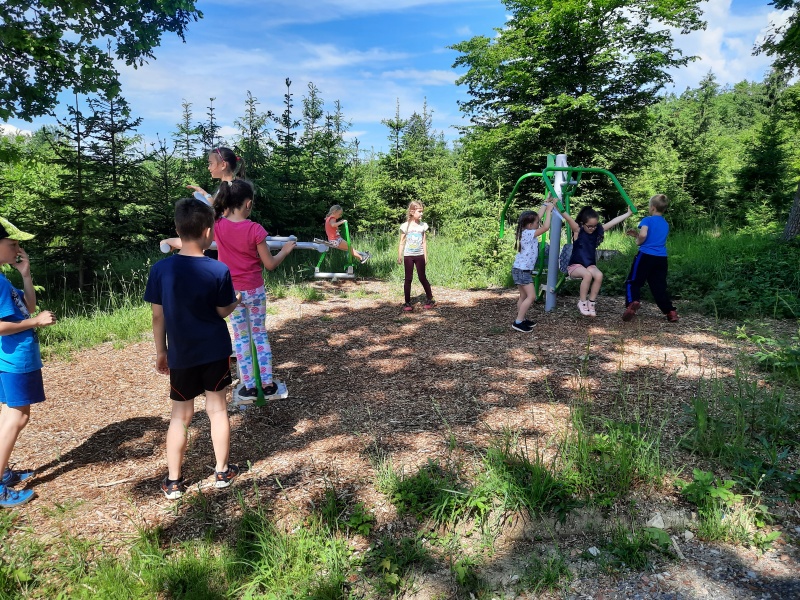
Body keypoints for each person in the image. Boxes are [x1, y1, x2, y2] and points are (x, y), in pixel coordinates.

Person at [162, 180, 295, 402]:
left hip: (232, 292)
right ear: (248, 203)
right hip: (255, 291)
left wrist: (169, 240)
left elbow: (192, 238)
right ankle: (267, 384)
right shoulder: (255, 229)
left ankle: (249, 386)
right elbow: (270, 264)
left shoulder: (219, 226)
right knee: (259, 335)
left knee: (241, 338)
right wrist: (286, 250)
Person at [145, 198, 242, 500]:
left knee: (180, 416)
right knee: (218, 410)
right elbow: (222, 311)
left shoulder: (161, 270)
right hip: (214, 350)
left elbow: (158, 316)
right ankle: (222, 472)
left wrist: (161, 351)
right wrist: (236, 301)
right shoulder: (218, 269)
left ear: (177, 230)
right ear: (208, 231)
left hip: (181, 353)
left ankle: (174, 481)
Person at [0, 218, 57, 507]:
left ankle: (3, 470)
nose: (17, 248)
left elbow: (28, 307)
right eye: (12, 244)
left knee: (7, 414)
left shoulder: (3, 281)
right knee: (18, 417)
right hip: (15, 359)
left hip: (11, 358)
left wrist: (25, 274)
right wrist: (36, 322)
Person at [562, 205, 633, 316]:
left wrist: (628, 214)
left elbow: (613, 222)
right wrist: (557, 206)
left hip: (589, 265)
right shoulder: (578, 231)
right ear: (583, 223)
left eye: (595, 226)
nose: (592, 228)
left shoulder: (597, 231)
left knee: (599, 275)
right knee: (587, 275)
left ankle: (591, 302)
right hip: (575, 266)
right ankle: (582, 302)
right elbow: (568, 218)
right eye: (589, 226)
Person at [623, 194, 678, 323]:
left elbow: (644, 235)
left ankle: (632, 302)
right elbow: (654, 239)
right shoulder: (665, 223)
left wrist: (638, 241)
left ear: (652, 207)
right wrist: (636, 235)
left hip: (645, 256)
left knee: (633, 281)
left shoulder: (647, 220)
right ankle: (670, 312)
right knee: (659, 286)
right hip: (661, 258)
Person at [511, 200, 555, 332]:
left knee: (523, 296)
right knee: (531, 297)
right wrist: (549, 211)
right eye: (537, 223)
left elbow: (537, 217)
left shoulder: (525, 230)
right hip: (523, 271)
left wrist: (545, 203)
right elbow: (546, 227)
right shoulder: (529, 233)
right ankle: (518, 322)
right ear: (530, 225)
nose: (538, 223)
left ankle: (522, 319)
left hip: (518, 269)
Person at [398, 201, 435, 311]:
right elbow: (402, 242)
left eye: (422, 211)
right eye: (419, 211)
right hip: (408, 256)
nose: (421, 214)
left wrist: (425, 256)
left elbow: (424, 242)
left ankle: (430, 299)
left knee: (422, 277)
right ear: (412, 212)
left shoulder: (423, 226)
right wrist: (399, 256)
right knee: (408, 278)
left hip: (419, 255)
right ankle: (407, 303)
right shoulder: (405, 226)